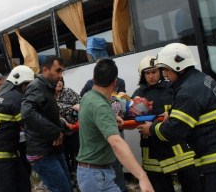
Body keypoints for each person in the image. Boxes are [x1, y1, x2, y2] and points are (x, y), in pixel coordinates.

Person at [138, 43, 216, 192]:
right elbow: (197, 108)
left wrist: (152, 128)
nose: (165, 74)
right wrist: (173, 112)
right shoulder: (199, 79)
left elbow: (175, 130)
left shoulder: (187, 91)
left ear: (178, 68)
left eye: (166, 69)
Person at [76, 58, 154, 192]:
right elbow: (117, 143)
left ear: (94, 79)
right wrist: (142, 177)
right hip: (97, 177)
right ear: (115, 82)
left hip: (93, 173)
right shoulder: (101, 106)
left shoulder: (88, 97)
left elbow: (93, 114)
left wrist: (112, 117)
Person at [132, 55, 201, 192]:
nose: (151, 76)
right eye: (147, 73)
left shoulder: (173, 88)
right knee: (160, 186)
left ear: (161, 72)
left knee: (192, 185)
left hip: (177, 148)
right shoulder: (138, 94)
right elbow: (132, 118)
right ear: (142, 75)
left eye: (154, 72)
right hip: (152, 151)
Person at [21, 55, 73, 192]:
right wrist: (54, 132)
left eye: (62, 71)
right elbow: (27, 113)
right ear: (45, 70)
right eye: (57, 71)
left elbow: (44, 113)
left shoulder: (47, 87)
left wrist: (61, 123)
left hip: (53, 150)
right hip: (42, 153)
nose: (61, 76)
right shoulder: (36, 86)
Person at [0, 65, 34, 192]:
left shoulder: (0, 96)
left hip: (5, 153)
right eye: (28, 85)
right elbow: (30, 124)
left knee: (23, 185)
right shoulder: (15, 98)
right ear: (21, 84)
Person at [80, 76, 128, 192]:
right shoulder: (94, 101)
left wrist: (114, 115)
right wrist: (141, 175)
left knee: (117, 167)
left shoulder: (91, 98)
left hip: (99, 170)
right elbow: (117, 144)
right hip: (95, 170)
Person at [55, 78, 81, 187]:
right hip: (60, 132)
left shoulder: (68, 92)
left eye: (61, 80)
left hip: (74, 130)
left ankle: (78, 178)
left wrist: (77, 107)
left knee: (78, 154)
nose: (59, 83)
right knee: (64, 156)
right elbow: (54, 109)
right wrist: (71, 107)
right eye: (57, 81)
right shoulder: (48, 95)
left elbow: (81, 103)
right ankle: (68, 179)